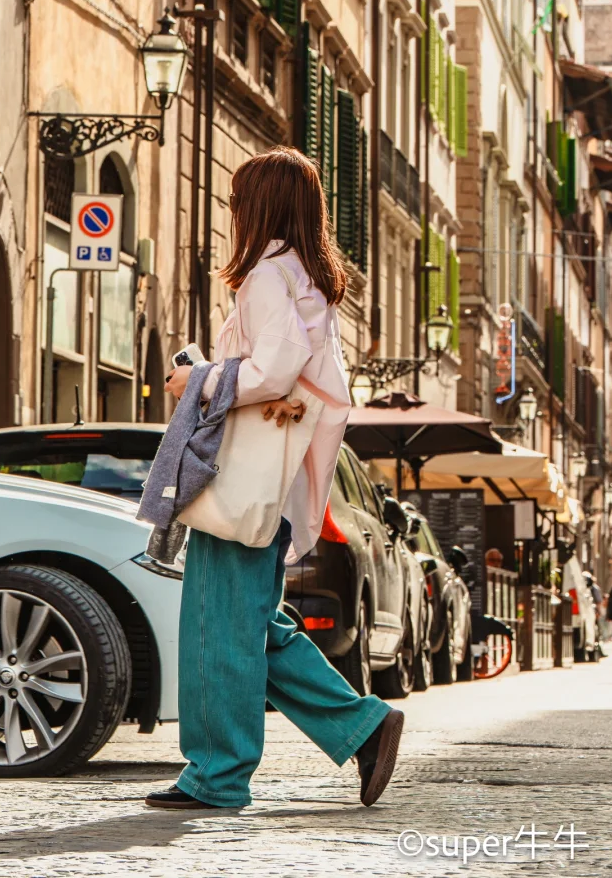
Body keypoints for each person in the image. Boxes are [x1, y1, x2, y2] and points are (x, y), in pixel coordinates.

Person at [143, 147, 403, 811]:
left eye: (236, 202)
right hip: (275, 485)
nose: (231, 214)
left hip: (243, 484)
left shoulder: (267, 274)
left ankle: (217, 775)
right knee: (255, 627)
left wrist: (195, 379)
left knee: (219, 628)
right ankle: (363, 726)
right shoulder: (306, 281)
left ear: (257, 207)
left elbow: (275, 370)